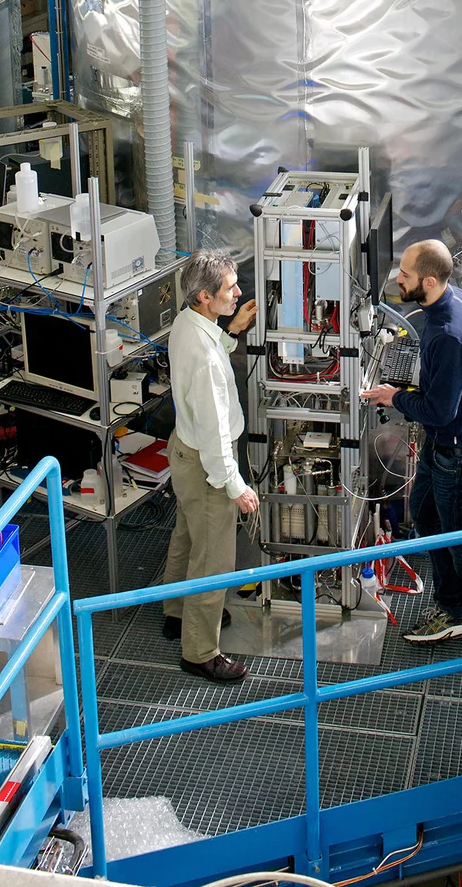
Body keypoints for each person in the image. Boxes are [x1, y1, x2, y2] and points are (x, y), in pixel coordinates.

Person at [361, 239, 462, 644]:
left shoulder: (446, 333)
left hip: (458, 452)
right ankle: (453, 597)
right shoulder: (456, 300)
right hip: (446, 446)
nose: (398, 280)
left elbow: (440, 412)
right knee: (425, 514)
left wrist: (394, 396)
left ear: (431, 281)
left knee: (454, 532)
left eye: (405, 275)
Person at [161, 248, 260, 684]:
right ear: (203, 296)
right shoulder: (204, 359)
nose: (238, 293)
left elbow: (208, 346)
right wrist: (235, 486)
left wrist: (231, 331)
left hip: (182, 452)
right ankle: (200, 650)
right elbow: (217, 433)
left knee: (187, 536)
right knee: (213, 559)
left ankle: (177, 612)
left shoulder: (188, 323)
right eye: (230, 289)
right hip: (206, 465)